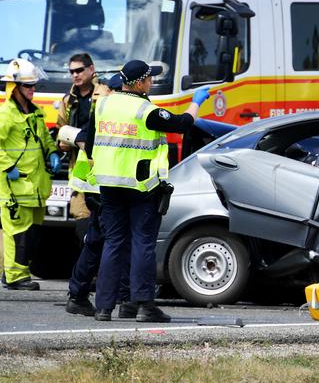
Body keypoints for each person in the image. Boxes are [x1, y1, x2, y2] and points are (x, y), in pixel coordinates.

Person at [87, 60, 210, 322]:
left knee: (113, 243)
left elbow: (89, 144)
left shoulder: (102, 105)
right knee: (143, 243)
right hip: (141, 187)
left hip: (109, 185)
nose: (152, 82)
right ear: (140, 83)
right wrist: (197, 102)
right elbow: (183, 123)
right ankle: (144, 305)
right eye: (149, 79)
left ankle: (104, 307)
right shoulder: (145, 110)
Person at [60, 56, 131, 316]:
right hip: (100, 184)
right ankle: (105, 297)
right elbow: (76, 135)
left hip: (98, 183)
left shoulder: (102, 106)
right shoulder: (108, 110)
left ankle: (83, 295)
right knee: (107, 240)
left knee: (100, 240)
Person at [0, 58, 61, 290]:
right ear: (15, 88)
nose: (33, 90)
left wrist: (53, 151)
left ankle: (15, 272)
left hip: (34, 186)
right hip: (14, 186)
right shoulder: (5, 115)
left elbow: (44, 138)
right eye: (28, 86)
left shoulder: (35, 112)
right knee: (17, 233)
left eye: (34, 85)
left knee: (31, 234)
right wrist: (7, 166)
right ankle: (15, 277)